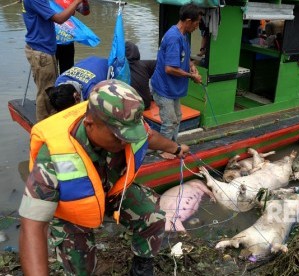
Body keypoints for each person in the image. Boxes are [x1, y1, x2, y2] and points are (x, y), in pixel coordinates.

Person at [19, 79, 190, 276]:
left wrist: (176, 148)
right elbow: (33, 227)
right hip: (73, 209)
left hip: (110, 191)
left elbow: (149, 137)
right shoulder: (52, 159)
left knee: (153, 216)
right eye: (118, 136)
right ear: (90, 124)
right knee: (81, 265)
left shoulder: (128, 125)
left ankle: (141, 267)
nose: (126, 141)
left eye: (130, 135)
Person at [150, 3, 203, 159]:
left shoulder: (183, 35)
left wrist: (191, 66)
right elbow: (170, 69)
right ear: (188, 21)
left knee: (177, 117)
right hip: (164, 88)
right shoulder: (174, 37)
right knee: (169, 121)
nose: (197, 27)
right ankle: (162, 150)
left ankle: (173, 146)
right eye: (196, 23)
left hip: (173, 89)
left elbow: (183, 58)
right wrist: (191, 76)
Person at [22, 0, 83, 122]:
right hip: (41, 51)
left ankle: (51, 120)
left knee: (50, 88)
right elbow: (59, 19)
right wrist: (76, 2)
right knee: (46, 93)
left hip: (42, 48)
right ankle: (43, 128)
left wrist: (71, 8)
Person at [54, 0, 91, 74]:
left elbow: (85, 12)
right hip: (50, 42)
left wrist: (85, 2)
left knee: (66, 74)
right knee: (49, 75)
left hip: (67, 41)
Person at [126, 41, 156, 110]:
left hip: (131, 107)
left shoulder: (119, 69)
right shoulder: (146, 64)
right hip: (146, 103)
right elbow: (162, 66)